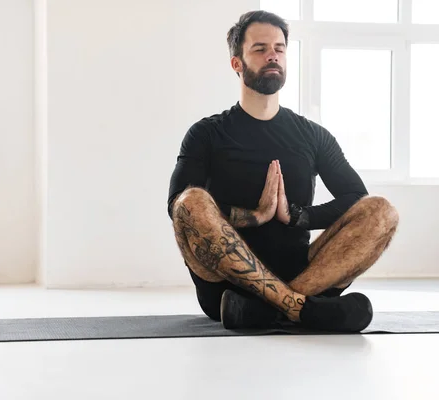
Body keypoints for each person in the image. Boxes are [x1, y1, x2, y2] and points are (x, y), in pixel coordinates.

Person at [167, 10, 399, 332]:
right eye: (260, 49)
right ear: (237, 63)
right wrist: (256, 215)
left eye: (279, 48)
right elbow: (177, 207)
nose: (272, 55)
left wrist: (296, 216)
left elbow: (355, 198)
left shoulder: (312, 135)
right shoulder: (206, 134)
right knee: (189, 201)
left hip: (300, 274)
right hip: (225, 286)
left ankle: (278, 307)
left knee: (381, 212)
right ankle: (300, 309)